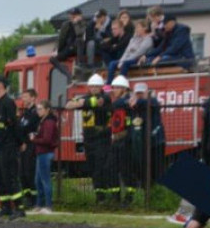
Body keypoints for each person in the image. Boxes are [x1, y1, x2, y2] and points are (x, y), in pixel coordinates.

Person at [65, 74, 115, 204]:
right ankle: (98, 194)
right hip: (88, 139)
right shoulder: (86, 97)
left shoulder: (106, 97)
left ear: (101, 87)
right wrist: (80, 102)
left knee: (101, 167)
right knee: (92, 167)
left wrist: (80, 103)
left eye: (96, 86)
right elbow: (68, 105)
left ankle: (103, 197)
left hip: (102, 138)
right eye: (92, 86)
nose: (93, 88)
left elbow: (97, 102)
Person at [0, 76, 25, 219]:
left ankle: (19, 208)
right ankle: (5, 207)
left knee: (10, 177)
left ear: (0, 85)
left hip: (8, 146)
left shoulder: (8, 103)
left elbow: (14, 124)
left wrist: (20, 142)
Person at [127, 82, 166, 190]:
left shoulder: (153, 101)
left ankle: (159, 193)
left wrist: (135, 101)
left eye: (141, 93)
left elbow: (149, 102)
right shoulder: (136, 106)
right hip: (144, 143)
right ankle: (148, 191)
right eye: (137, 93)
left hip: (156, 142)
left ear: (146, 92)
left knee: (157, 169)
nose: (139, 95)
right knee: (145, 169)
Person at [108, 75, 136, 205]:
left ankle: (129, 196)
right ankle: (115, 196)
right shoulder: (121, 102)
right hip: (117, 139)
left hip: (126, 139)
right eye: (113, 87)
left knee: (125, 169)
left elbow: (118, 104)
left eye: (117, 87)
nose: (114, 90)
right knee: (112, 168)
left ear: (125, 89)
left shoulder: (124, 101)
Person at [31, 101, 59, 214]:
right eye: (37, 109)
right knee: (38, 180)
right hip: (41, 153)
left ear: (47, 110)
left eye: (40, 109)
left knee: (45, 180)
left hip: (45, 153)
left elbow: (47, 140)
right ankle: (39, 204)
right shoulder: (43, 121)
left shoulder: (48, 122)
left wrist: (34, 139)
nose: (38, 111)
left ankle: (48, 205)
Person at [17, 89, 40, 209]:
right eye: (23, 97)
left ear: (33, 98)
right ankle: (27, 197)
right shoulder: (25, 113)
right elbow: (20, 127)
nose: (23, 99)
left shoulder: (35, 113)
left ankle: (35, 199)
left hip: (31, 146)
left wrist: (25, 140)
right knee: (23, 173)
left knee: (30, 172)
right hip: (23, 146)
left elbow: (28, 127)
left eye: (25, 97)